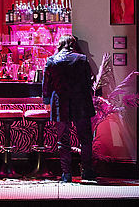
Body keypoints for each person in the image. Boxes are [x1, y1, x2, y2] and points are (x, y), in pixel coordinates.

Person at [43, 34, 96, 183]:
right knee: (85, 139)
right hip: (81, 102)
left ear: (59, 45)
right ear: (73, 45)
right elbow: (88, 82)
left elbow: (46, 85)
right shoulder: (82, 59)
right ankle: (86, 171)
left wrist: (46, 101)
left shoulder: (52, 60)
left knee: (63, 140)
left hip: (60, 103)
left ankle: (66, 173)